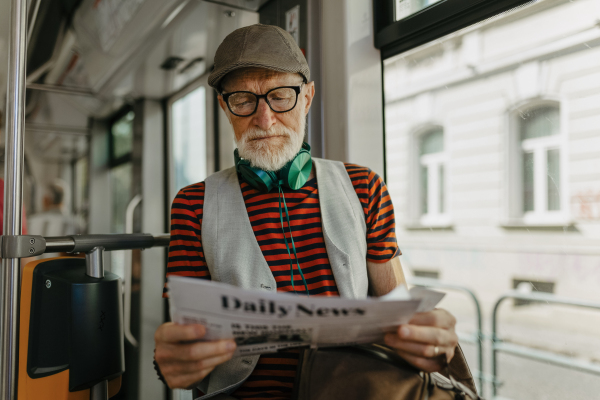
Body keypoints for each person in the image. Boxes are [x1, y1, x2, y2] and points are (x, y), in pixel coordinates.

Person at [154, 24, 458, 400]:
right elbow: (184, 341)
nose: (264, 120)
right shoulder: (192, 205)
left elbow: (400, 314)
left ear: (308, 97)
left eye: (280, 96)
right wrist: (174, 361)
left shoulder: (365, 188)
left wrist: (425, 340)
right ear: (224, 106)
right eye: (244, 100)